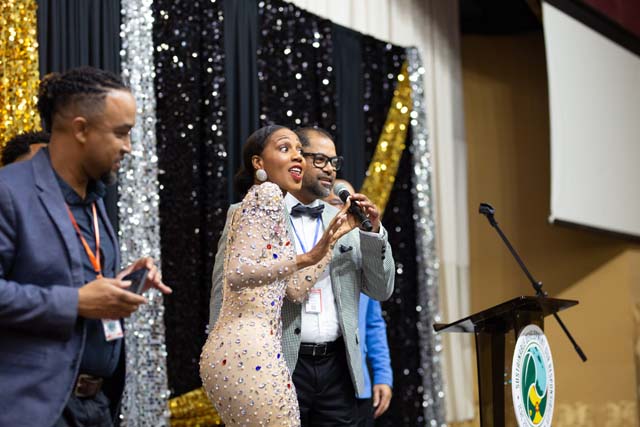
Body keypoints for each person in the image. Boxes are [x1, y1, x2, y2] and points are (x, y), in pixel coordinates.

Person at [0, 67, 172, 427]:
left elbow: (71, 278)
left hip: (96, 407)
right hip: (35, 408)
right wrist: (75, 302)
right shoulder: (9, 191)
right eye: (121, 133)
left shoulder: (93, 198)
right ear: (81, 129)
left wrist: (122, 282)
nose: (128, 146)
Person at [209, 127, 395, 426]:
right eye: (320, 159)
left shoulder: (345, 221)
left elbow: (380, 290)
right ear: (297, 160)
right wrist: (225, 358)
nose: (329, 169)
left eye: (334, 162)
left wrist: (373, 234)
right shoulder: (252, 211)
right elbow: (224, 289)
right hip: (277, 361)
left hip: (338, 367)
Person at [324, 179, 393, 426]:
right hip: (315, 382)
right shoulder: (308, 253)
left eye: (351, 205)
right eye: (336, 202)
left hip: (356, 385)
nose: (345, 210)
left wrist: (383, 376)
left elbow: (373, 324)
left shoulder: (360, 256)